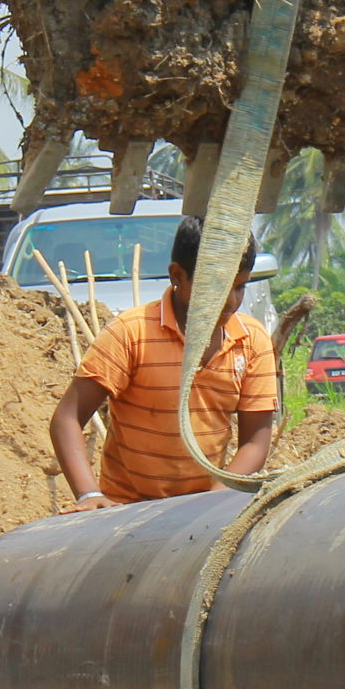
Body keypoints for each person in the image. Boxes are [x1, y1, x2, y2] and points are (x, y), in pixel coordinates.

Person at [50, 215, 278, 509]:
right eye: (217, 288)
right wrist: (90, 495)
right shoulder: (131, 333)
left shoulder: (251, 339)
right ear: (177, 275)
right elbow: (66, 419)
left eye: (239, 287)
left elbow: (255, 441)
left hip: (205, 510)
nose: (231, 301)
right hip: (126, 509)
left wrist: (216, 498)